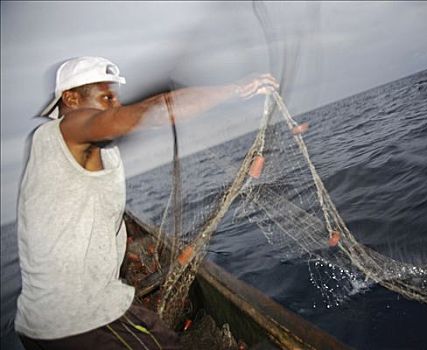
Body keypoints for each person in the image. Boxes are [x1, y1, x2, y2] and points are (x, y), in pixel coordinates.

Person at [15, 56, 278, 349]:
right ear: (71, 98)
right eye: (106, 96)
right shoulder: (67, 129)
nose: (116, 104)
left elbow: (148, 116)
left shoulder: (80, 148)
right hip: (83, 322)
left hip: (42, 325)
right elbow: (154, 111)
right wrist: (236, 89)